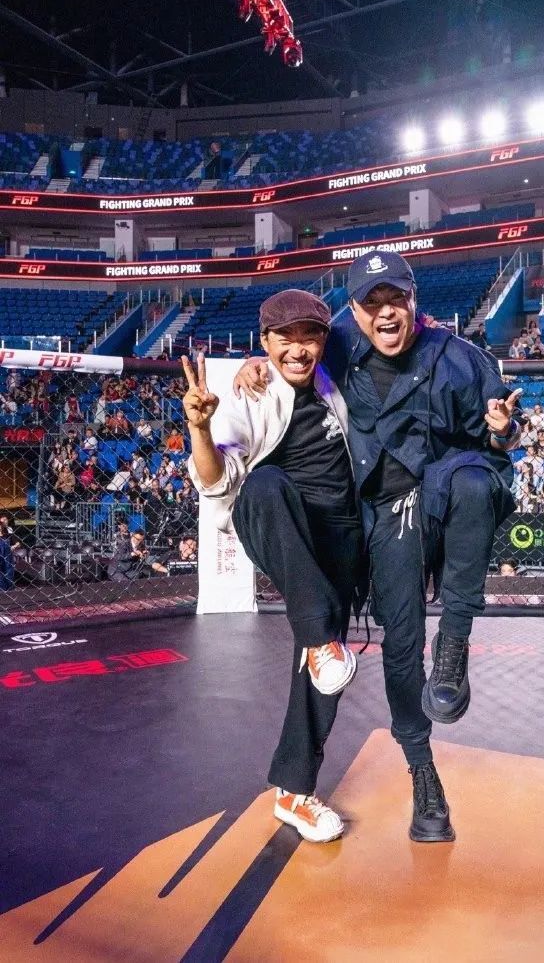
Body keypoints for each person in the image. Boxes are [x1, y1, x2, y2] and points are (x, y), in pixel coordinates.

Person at [234, 251, 521, 843]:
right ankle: (334, 782)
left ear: (415, 302)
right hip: (355, 517)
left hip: (419, 507)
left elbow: (499, 435)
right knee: (340, 643)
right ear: (355, 311)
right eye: (372, 302)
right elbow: (292, 348)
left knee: (404, 637)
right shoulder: (336, 346)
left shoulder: (458, 358)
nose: (386, 312)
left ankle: (444, 687)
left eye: (396, 299)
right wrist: (252, 364)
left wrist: (504, 432)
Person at [186, 290, 363, 845]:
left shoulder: (337, 377)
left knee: (321, 671)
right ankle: (319, 637)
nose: (298, 348)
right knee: (262, 483)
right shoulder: (251, 392)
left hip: (343, 536)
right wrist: (199, 429)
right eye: (284, 338)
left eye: (310, 336)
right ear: (265, 341)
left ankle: (292, 793)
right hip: (283, 525)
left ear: (324, 341)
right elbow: (217, 480)